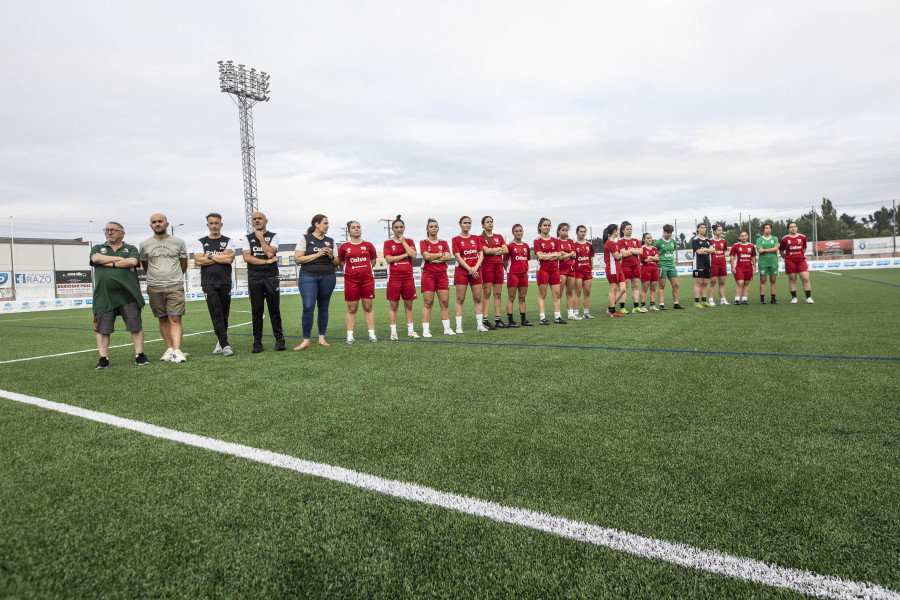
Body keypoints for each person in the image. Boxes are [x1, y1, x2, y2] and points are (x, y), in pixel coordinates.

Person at [90, 222, 148, 369]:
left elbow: (133, 261)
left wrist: (108, 261)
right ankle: (103, 358)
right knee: (103, 330)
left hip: (128, 295)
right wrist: (121, 261)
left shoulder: (131, 248)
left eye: (113, 230)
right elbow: (95, 259)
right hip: (104, 296)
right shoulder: (97, 248)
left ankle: (139, 355)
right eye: (107, 230)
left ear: (122, 233)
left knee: (135, 326)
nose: (109, 232)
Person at [140, 213, 189, 363]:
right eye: (154, 222)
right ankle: (169, 349)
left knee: (175, 317)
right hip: (154, 287)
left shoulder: (178, 242)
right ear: (151, 226)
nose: (157, 224)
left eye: (160, 221)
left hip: (175, 285)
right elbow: (145, 264)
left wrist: (174, 276)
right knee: (162, 319)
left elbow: (184, 263)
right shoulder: (144, 244)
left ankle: (177, 351)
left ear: (167, 224)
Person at [294, 214, 339, 350]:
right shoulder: (305, 238)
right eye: (325, 223)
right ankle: (306, 340)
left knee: (323, 307)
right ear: (316, 224)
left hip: (328, 276)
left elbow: (337, 263)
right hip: (308, 277)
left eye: (327, 223)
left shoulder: (331, 240)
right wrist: (318, 254)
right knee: (308, 306)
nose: (327, 226)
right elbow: (298, 259)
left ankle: (321, 338)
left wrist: (330, 255)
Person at [193, 212, 235, 356]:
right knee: (215, 313)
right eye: (211, 223)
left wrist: (208, 255)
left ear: (221, 224)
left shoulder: (228, 241)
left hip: (224, 282)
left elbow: (229, 260)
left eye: (217, 223)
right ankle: (225, 344)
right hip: (208, 283)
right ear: (208, 225)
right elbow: (198, 261)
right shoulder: (201, 242)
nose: (214, 226)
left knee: (224, 313)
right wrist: (220, 256)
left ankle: (220, 342)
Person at [242, 211, 285, 353]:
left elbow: (270, 252)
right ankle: (257, 342)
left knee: (274, 310)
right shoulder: (247, 238)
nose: (257, 220)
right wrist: (266, 261)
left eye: (260, 218)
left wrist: (261, 239)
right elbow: (247, 258)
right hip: (254, 277)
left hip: (271, 277)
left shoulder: (274, 236)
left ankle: (279, 340)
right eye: (254, 219)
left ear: (266, 221)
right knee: (257, 311)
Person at [337, 221, 378, 344]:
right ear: (348, 231)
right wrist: (349, 271)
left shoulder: (368, 245)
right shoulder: (343, 247)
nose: (356, 229)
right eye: (353, 228)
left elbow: (373, 261)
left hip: (367, 280)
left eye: (358, 227)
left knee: (368, 307)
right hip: (351, 281)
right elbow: (341, 262)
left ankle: (372, 334)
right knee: (352, 308)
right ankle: (350, 336)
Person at [383, 215, 419, 340]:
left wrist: (403, 242)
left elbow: (414, 255)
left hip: (408, 277)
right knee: (393, 306)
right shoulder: (388, 243)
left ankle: (411, 331)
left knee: (409, 305)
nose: (399, 229)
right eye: (396, 227)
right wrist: (405, 255)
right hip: (394, 277)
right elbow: (388, 259)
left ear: (404, 228)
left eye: (401, 227)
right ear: (392, 229)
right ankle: (393, 332)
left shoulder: (409, 241)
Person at [452, 216, 490, 333]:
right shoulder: (456, 239)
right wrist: (470, 269)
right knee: (460, 299)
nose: (467, 225)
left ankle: (480, 325)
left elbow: (481, 254)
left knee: (478, 298)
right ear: (460, 224)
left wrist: (475, 268)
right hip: (462, 271)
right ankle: (458, 327)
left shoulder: (476, 238)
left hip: (476, 271)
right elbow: (458, 256)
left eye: (469, 223)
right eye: (465, 223)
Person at [420, 218, 454, 336]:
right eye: (431, 226)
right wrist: (441, 255)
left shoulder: (444, 242)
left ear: (438, 228)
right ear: (427, 229)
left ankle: (447, 328)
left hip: (442, 275)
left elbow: (448, 257)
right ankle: (425, 330)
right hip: (428, 274)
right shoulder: (423, 242)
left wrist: (435, 258)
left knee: (444, 302)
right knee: (428, 303)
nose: (433, 228)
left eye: (435, 226)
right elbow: (427, 256)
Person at [533, 217, 565, 324]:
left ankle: (558, 317)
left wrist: (548, 256)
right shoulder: (537, 241)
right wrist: (553, 255)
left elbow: (559, 255)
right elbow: (540, 257)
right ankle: (542, 318)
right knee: (542, 295)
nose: (547, 227)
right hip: (543, 270)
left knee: (557, 294)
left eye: (548, 225)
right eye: (545, 225)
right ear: (540, 227)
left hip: (554, 270)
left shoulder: (555, 241)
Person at [480, 216, 508, 329]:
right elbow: (485, 251)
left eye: (491, 222)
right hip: (487, 267)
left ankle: (498, 319)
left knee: (498, 294)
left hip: (499, 267)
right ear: (483, 225)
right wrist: (498, 249)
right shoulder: (480, 237)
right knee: (486, 294)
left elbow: (506, 250)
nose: (490, 224)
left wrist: (492, 250)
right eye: (487, 222)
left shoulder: (499, 236)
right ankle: (485, 320)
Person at [780, 221, 814, 304]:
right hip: (790, 261)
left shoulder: (802, 237)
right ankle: (794, 297)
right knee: (792, 279)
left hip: (801, 260)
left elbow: (804, 249)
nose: (793, 228)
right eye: (791, 227)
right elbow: (781, 250)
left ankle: (809, 297)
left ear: (797, 227)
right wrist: (786, 258)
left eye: (794, 226)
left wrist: (799, 254)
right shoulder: (785, 239)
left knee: (805, 278)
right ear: (788, 229)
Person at [504, 224, 531, 327]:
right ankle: (510, 321)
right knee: (511, 297)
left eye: (520, 231)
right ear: (513, 233)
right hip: (513, 274)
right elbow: (505, 261)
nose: (519, 233)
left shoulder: (526, 246)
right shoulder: (509, 246)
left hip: (524, 274)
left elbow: (526, 259)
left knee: (522, 297)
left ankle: (523, 320)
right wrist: (509, 271)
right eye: (516, 231)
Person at [654, 224, 685, 309]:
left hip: (671, 265)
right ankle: (661, 305)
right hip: (661, 265)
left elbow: (671, 252)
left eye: (671, 232)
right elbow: (653, 251)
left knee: (676, 284)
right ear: (664, 232)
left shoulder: (673, 242)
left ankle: (676, 303)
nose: (669, 234)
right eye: (668, 232)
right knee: (662, 285)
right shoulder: (659, 242)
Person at [616, 221, 642, 314]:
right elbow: (624, 253)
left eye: (630, 229)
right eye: (627, 229)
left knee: (635, 286)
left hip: (636, 266)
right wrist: (635, 250)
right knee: (624, 287)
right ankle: (622, 307)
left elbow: (641, 252)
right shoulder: (621, 241)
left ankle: (636, 307)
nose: (629, 231)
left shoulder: (636, 240)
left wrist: (631, 250)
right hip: (625, 266)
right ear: (622, 230)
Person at [602, 224, 626, 317]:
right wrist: (621, 255)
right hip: (612, 269)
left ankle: (610, 307)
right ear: (614, 231)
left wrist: (620, 255)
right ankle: (612, 311)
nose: (619, 232)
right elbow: (617, 256)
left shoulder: (613, 242)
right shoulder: (610, 242)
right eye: (618, 230)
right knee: (613, 290)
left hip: (618, 268)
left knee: (623, 289)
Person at [556, 223, 578, 320]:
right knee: (559, 293)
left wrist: (566, 254)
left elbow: (575, 255)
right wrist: (569, 254)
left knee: (569, 292)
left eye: (566, 230)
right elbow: (559, 256)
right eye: (563, 230)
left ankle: (570, 314)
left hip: (571, 268)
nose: (565, 232)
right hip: (561, 269)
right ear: (558, 231)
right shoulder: (556, 241)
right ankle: (558, 314)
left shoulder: (570, 241)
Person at [572, 225, 594, 319]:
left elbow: (591, 257)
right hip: (578, 271)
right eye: (581, 231)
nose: (583, 233)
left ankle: (586, 312)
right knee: (578, 291)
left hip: (587, 270)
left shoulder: (589, 245)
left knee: (587, 292)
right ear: (577, 232)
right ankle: (576, 312)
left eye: (584, 231)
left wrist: (590, 266)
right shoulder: (573, 244)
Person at [729, 231, 757, 305]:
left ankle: (744, 299)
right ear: (739, 237)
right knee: (740, 283)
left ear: (747, 236)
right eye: (742, 236)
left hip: (748, 267)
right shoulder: (735, 246)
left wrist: (754, 267)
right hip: (739, 267)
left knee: (746, 283)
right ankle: (737, 299)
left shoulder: (751, 246)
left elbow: (753, 257)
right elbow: (732, 256)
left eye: (745, 235)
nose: (744, 237)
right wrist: (732, 267)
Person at [756, 222, 780, 304]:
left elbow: (776, 249)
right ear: (763, 229)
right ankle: (762, 299)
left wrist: (765, 250)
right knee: (763, 280)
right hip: (763, 262)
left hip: (773, 262)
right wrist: (771, 249)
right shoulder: (759, 239)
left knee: (773, 280)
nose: (768, 229)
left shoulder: (775, 238)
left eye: (769, 228)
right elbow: (759, 250)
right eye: (766, 228)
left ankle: (773, 298)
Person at [706, 225, 730, 306]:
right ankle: (711, 300)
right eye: (719, 230)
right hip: (713, 263)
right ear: (714, 231)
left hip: (722, 263)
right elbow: (708, 251)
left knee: (722, 282)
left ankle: (723, 299)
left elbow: (724, 250)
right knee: (712, 282)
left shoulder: (723, 241)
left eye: (721, 230)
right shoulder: (710, 241)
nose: (721, 232)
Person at [691, 223, 712, 308]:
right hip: (698, 264)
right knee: (698, 282)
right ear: (698, 229)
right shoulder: (695, 240)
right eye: (701, 227)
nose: (703, 229)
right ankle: (696, 302)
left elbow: (713, 250)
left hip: (707, 263)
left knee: (705, 283)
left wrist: (705, 249)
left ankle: (704, 301)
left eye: (704, 228)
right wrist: (708, 250)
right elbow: (699, 252)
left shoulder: (708, 240)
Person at [639, 233, 660, 312]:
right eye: (647, 238)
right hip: (645, 268)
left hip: (654, 268)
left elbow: (658, 259)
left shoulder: (654, 248)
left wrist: (650, 257)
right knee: (644, 288)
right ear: (644, 239)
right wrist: (653, 258)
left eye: (650, 238)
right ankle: (643, 306)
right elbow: (645, 260)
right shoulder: (642, 248)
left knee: (653, 288)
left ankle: (652, 305)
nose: (649, 239)